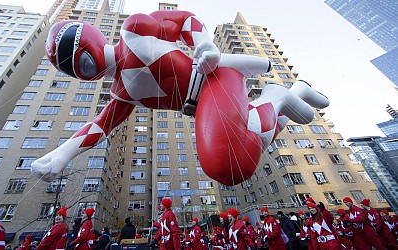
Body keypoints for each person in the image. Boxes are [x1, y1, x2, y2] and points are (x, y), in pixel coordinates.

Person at [33, 10, 329, 188]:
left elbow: (183, 20)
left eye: (82, 59)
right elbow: (98, 127)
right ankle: (297, 91)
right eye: (78, 68)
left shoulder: (133, 31)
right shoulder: (120, 94)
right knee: (247, 149)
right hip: (206, 107)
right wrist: (60, 157)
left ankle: (276, 96)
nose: (87, 67)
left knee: (222, 165)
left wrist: (204, 46)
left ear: (90, 38)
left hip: (215, 77)